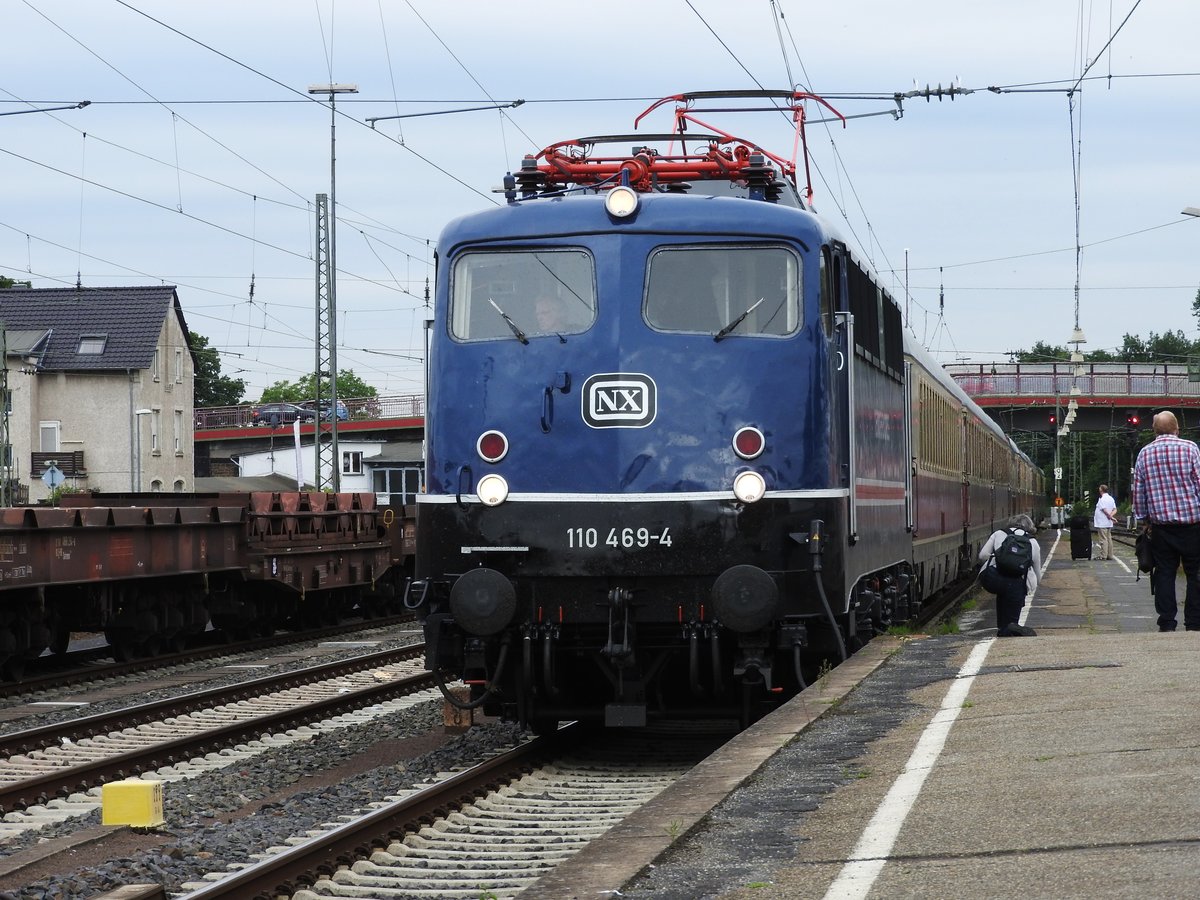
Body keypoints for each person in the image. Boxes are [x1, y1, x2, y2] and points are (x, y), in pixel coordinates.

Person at [1132, 410, 1200, 632]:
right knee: (1195, 574)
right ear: (1177, 428)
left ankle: (1167, 622)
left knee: (1164, 573)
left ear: (1154, 430)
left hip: (1161, 527)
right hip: (1193, 525)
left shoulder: (1144, 453)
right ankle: (1194, 622)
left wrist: (1144, 520)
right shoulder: (1190, 449)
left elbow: (1139, 492)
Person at [978, 514, 1041, 637]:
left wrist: (1000, 559)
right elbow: (1037, 573)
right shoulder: (1032, 542)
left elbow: (982, 556)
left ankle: (1002, 629)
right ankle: (1008, 629)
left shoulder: (998, 533)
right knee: (1011, 621)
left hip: (992, 578)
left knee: (1002, 594)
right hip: (1016, 584)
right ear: (1029, 527)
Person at [1093, 484, 1117, 560]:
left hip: (1102, 522)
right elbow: (1115, 509)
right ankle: (1110, 555)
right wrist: (1111, 517)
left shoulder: (1102, 499)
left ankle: (1103, 555)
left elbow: (1104, 509)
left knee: (1103, 539)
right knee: (1109, 539)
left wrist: (1110, 516)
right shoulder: (1111, 498)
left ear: (1101, 490)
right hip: (1108, 523)